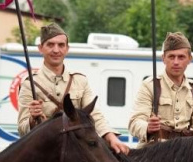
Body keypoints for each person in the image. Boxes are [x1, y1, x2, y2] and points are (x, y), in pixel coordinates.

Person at [17, 22, 128, 154]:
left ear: (67, 49)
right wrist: (32, 120)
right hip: (43, 154)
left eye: (61, 45)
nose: (56, 50)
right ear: (41, 48)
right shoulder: (30, 84)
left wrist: (111, 137)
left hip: (74, 153)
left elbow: (94, 115)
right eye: (50, 44)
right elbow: (22, 129)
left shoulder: (79, 81)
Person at [128, 32, 193, 145]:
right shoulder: (150, 85)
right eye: (171, 56)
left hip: (184, 151)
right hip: (153, 150)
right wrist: (147, 127)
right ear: (163, 58)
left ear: (189, 59)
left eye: (181, 57)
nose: (176, 62)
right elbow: (135, 122)